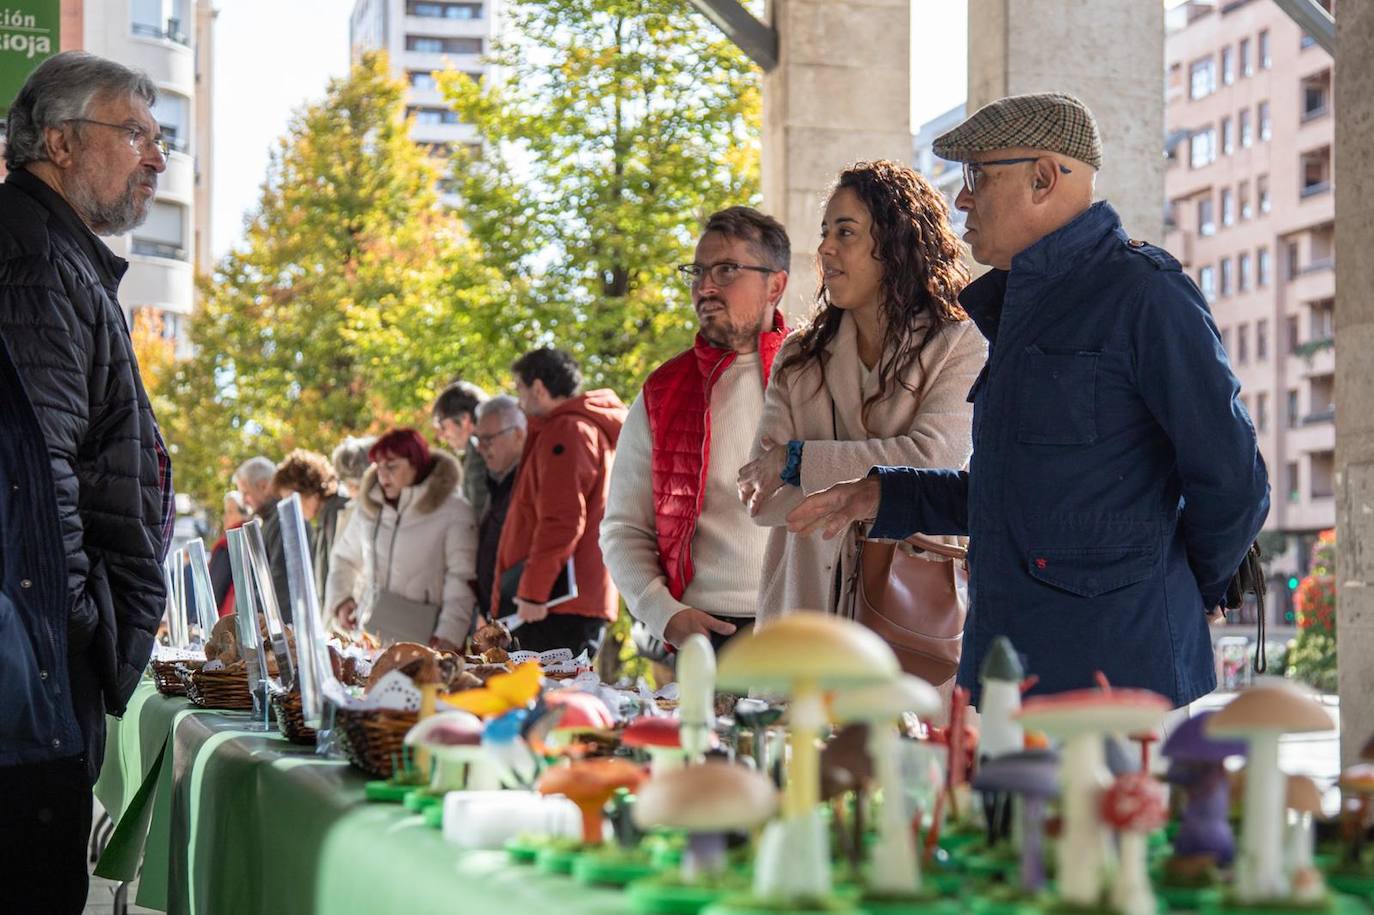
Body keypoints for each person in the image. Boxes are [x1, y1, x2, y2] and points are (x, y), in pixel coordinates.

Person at [786, 94, 1269, 708]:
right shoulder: (1021, 310)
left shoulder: (1147, 296)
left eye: (977, 176)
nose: (961, 199)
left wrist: (1178, 591)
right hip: (1007, 673)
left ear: (1042, 178)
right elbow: (1010, 495)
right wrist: (883, 492)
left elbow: (1235, 482)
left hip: (1113, 688)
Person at [0, 52, 174, 911]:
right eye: (134, 132)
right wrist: (82, 631)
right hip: (31, 686)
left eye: (159, 138)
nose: (156, 158)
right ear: (61, 143)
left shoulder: (56, 256)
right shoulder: (35, 261)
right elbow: (40, 482)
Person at [737, 161, 985, 626]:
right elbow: (762, 498)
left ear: (896, 244)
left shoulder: (959, 343)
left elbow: (932, 462)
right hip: (803, 614)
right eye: (825, 232)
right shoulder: (798, 353)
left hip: (911, 623)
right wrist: (877, 474)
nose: (825, 248)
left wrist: (797, 462)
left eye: (845, 232)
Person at [601, 207, 791, 651]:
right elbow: (623, 528)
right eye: (698, 271)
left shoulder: (818, 374)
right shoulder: (662, 392)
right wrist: (664, 614)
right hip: (703, 636)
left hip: (804, 632)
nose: (705, 286)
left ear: (775, 285)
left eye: (726, 270)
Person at [493, 349, 627, 657]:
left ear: (538, 388)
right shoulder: (578, 428)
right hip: (564, 604)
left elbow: (562, 519)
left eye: (520, 388)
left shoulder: (567, 431)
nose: (518, 400)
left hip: (558, 608)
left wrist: (533, 592)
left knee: (550, 701)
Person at [325, 429, 478, 651]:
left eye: (392, 466)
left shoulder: (454, 510)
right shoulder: (367, 509)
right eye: (378, 466)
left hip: (427, 640)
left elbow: (462, 578)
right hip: (370, 637)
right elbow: (344, 557)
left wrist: (449, 635)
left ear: (416, 463)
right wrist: (341, 600)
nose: (382, 475)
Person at [269, 449, 347, 617]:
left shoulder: (336, 512)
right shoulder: (326, 514)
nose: (289, 508)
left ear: (306, 488)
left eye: (290, 499)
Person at [472, 395, 528, 618]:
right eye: (478, 440)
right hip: (499, 614)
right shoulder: (497, 483)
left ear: (518, 434)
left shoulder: (531, 484)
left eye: (488, 439)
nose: (481, 449)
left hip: (526, 615)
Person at [433, 380, 491, 518]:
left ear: (465, 419)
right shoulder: (484, 450)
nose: (441, 436)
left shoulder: (480, 455)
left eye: (443, 426)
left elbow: (478, 519)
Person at [209, 491, 250, 617]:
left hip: (228, 617)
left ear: (245, 515)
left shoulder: (227, 545)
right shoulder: (253, 540)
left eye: (230, 512)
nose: (225, 517)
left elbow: (215, 591)